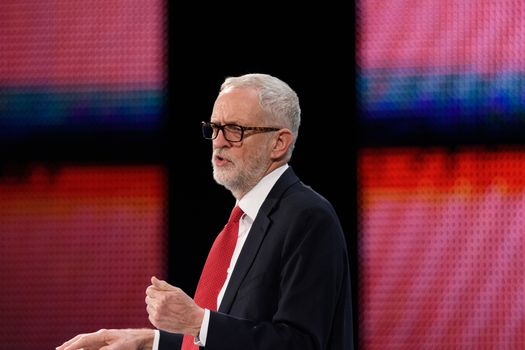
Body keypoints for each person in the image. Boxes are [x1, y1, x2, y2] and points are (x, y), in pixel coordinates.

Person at [57, 73, 353, 350]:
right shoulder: (244, 221)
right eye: (214, 128)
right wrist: (150, 341)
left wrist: (198, 321)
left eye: (235, 130)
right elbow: (234, 334)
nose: (219, 141)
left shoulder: (308, 217)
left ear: (279, 142)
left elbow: (300, 343)